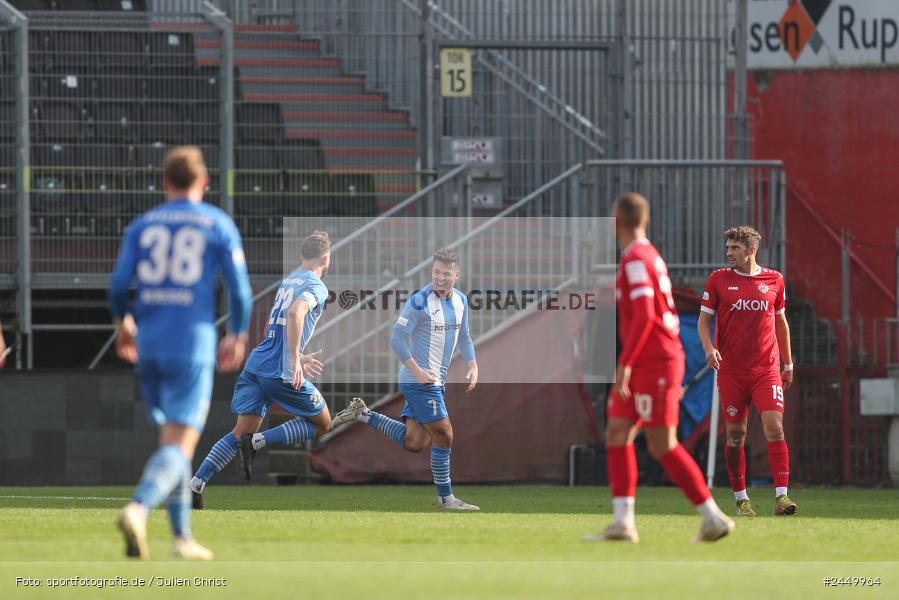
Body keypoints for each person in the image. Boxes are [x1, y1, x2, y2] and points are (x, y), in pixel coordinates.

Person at [108, 146, 252, 560]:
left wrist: (124, 322)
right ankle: (138, 509)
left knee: (173, 441)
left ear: (165, 182)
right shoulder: (216, 223)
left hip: (147, 344)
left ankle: (181, 537)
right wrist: (236, 334)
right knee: (180, 444)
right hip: (191, 345)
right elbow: (239, 290)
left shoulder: (142, 225)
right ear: (204, 183)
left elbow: (118, 287)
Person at [584, 192, 734, 543]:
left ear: (615, 223)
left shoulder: (635, 257)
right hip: (648, 360)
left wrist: (626, 363)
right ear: (646, 221)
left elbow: (646, 315)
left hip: (654, 361)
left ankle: (713, 517)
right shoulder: (647, 255)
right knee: (617, 434)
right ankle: (623, 522)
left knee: (662, 444)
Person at [189, 230, 333, 508]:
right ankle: (256, 443)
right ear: (326, 258)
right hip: (278, 370)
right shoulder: (316, 285)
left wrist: (296, 355)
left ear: (301, 256)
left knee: (239, 432)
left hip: (257, 364)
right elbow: (295, 314)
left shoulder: (289, 280)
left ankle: (196, 485)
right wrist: (293, 359)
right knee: (323, 423)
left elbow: (275, 326)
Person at [331, 248, 480, 511]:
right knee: (445, 435)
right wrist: (419, 371)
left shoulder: (460, 301)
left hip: (434, 381)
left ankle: (363, 414)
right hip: (419, 381)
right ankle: (446, 500)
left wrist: (473, 363)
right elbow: (397, 340)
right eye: (436, 272)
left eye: (446, 273)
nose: (440, 278)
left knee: (414, 443)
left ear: (457, 274)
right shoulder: (419, 301)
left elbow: (465, 336)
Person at [698, 225, 797, 517]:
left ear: (751, 250)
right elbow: (704, 321)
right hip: (731, 371)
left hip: (766, 369)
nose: (728, 253)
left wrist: (788, 363)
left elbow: (781, 323)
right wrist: (708, 349)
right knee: (736, 435)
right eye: (728, 247)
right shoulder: (718, 280)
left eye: (735, 248)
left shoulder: (774, 280)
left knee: (774, 427)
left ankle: (782, 497)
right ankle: (741, 499)